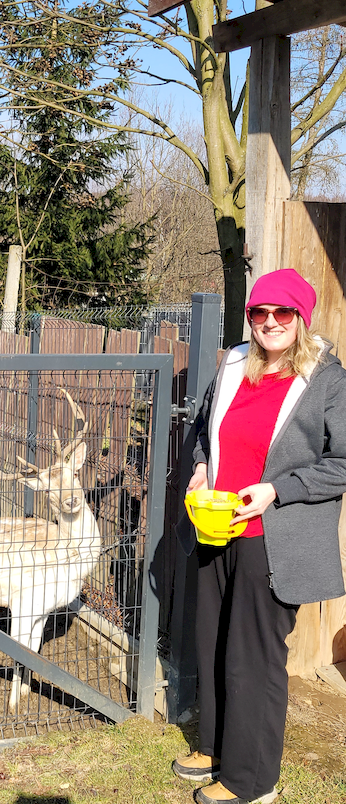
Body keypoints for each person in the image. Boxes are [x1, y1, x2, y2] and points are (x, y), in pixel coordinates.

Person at [171, 268, 346, 804]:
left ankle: (253, 783)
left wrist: (277, 490)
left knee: (253, 655)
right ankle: (219, 747)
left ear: (301, 319)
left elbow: (342, 463)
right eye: (260, 313)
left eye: (282, 313)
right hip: (217, 525)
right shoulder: (232, 364)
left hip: (273, 537)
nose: (269, 322)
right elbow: (204, 429)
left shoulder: (326, 378)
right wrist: (201, 467)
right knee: (213, 642)